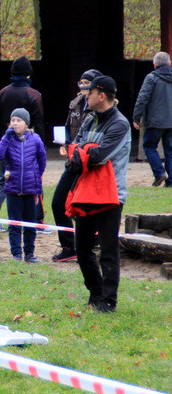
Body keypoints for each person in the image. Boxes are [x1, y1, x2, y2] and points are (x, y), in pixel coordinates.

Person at [70, 75, 131, 313]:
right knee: (82, 248)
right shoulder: (89, 119)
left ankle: (109, 300)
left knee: (107, 251)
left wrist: (83, 152)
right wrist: (82, 152)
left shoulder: (120, 124)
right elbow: (74, 148)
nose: (86, 95)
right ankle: (95, 294)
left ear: (101, 95)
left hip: (110, 196)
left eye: (89, 92)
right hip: (85, 191)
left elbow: (99, 156)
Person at [0, 56, 44, 233]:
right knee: (32, 180)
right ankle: (35, 221)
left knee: (1, 181)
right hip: (27, 148)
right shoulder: (34, 95)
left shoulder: (2, 93)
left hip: (6, 145)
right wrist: (40, 148)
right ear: (29, 76)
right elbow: (38, 125)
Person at [51, 69, 102, 263]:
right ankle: (68, 245)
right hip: (72, 161)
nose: (83, 87)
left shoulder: (100, 110)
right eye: (81, 82)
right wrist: (64, 144)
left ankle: (95, 241)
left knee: (88, 205)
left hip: (90, 165)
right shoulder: (75, 104)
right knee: (58, 203)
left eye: (87, 84)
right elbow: (67, 129)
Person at [0, 108, 47, 263]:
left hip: (31, 189)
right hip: (13, 188)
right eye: (12, 120)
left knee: (30, 224)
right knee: (15, 223)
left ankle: (29, 253)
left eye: (18, 120)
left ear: (26, 123)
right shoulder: (8, 139)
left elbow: (42, 160)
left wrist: (36, 175)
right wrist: (5, 138)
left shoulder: (35, 139)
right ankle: (16, 254)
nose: (15, 123)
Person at [132, 51, 172, 187]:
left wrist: (136, 117)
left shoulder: (151, 78)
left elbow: (142, 98)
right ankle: (171, 181)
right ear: (170, 64)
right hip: (171, 122)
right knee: (170, 150)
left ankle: (159, 172)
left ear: (154, 64)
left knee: (149, 146)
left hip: (155, 121)